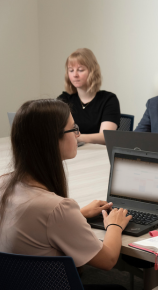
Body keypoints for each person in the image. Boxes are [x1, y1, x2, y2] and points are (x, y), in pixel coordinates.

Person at [0, 99, 130, 290]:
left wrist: (79, 214)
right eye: (73, 128)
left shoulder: (3, 183)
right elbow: (108, 260)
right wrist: (114, 225)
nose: (77, 135)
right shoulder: (56, 208)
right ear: (53, 139)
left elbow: (39, 223)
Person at [58, 48, 120, 145]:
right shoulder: (63, 99)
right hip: (73, 151)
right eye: (71, 70)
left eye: (80, 70)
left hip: (98, 153)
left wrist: (75, 138)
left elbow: (105, 137)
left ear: (92, 71)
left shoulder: (109, 99)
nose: (75, 75)